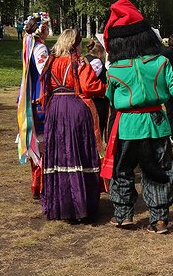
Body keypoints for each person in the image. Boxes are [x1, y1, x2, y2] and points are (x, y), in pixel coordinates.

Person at [101, 0, 173, 234]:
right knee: (159, 171)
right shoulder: (160, 62)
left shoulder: (115, 70)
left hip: (127, 126)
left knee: (123, 170)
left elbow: (110, 96)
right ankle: (159, 219)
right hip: (157, 125)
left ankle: (123, 215)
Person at [40, 29, 106, 221]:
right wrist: (106, 89)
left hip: (55, 109)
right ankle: (81, 206)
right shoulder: (78, 61)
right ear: (75, 43)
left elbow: (45, 86)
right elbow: (89, 86)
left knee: (60, 152)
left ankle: (61, 206)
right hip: (75, 107)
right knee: (79, 151)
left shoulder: (50, 61)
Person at [16, 12, 51, 199]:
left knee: (37, 144)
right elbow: (45, 73)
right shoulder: (40, 49)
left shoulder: (29, 47)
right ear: (42, 29)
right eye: (47, 27)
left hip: (31, 99)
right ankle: (42, 185)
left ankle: (37, 184)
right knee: (43, 145)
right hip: (40, 102)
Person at [83, 38, 110, 140]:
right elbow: (89, 81)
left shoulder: (84, 59)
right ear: (99, 51)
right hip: (96, 102)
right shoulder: (96, 62)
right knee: (96, 131)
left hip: (88, 101)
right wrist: (105, 88)